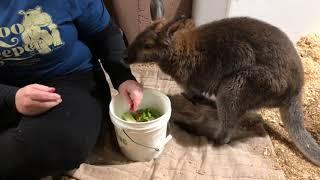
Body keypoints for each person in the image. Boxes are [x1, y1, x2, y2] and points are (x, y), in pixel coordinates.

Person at [0, 0, 143, 178]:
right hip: (6, 84)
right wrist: (11, 98)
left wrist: (123, 77)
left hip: (70, 78)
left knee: (66, 141)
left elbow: (105, 34)